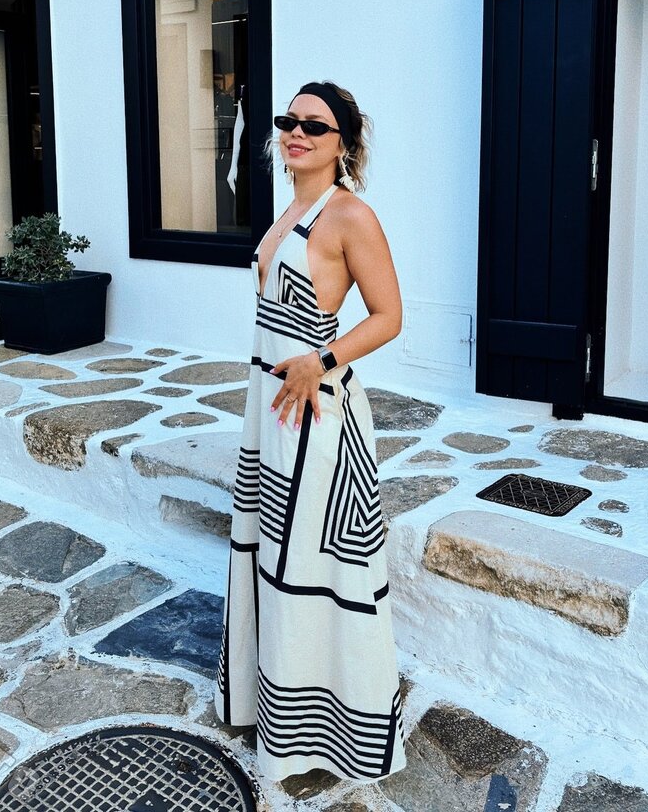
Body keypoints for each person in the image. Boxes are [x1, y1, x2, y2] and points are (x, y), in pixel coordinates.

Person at [215, 80, 407, 782]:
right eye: (288, 120)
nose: (296, 133)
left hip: (317, 417)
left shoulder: (350, 215)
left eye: (315, 126)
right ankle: (273, 708)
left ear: (343, 144)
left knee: (317, 571)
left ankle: (331, 734)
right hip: (270, 412)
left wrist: (320, 360)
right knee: (273, 557)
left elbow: (388, 316)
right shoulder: (289, 210)